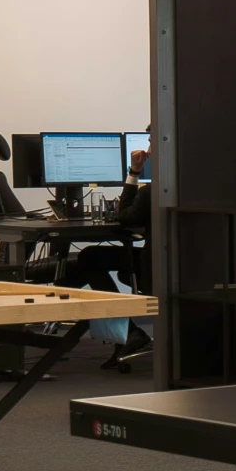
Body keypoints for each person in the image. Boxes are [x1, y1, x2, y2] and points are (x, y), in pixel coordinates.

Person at [63, 147, 153, 369]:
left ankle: (128, 331)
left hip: (156, 268)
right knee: (93, 257)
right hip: (188, 266)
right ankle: (126, 331)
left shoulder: (152, 192)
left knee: (90, 258)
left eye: (152, 143)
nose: (148, 150)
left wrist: (134, 172)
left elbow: (125, 217)